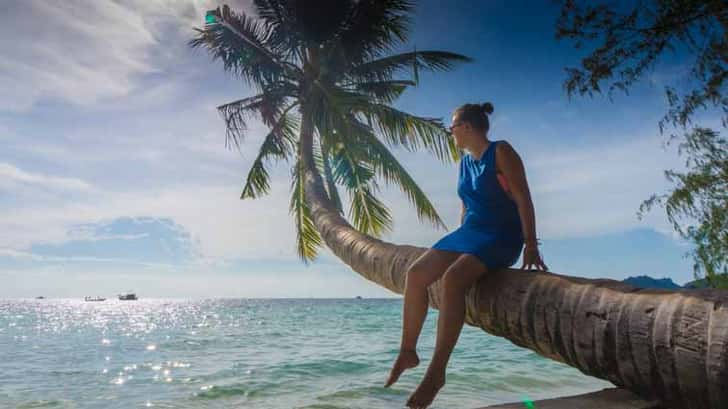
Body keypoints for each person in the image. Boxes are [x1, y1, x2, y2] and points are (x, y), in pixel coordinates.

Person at [384, 102, 548, 408]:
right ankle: (407, 351)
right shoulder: (464, 162)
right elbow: (466, 205)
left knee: (453, 280)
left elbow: (524, 198)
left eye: (453, 127)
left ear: (468, 127)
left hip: (501, 234)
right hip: (470, 233)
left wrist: (531, 244)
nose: (450, 132)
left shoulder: (501, 152)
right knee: (416, 274)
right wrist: (456, 243)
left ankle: (436, 373)